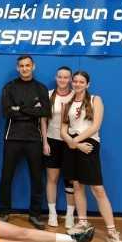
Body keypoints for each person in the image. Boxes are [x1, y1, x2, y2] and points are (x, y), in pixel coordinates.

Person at [61, 70, 122, 242]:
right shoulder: (67, 103)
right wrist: (74, 143)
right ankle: (82, 222)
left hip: (88, 145)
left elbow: (95, 126)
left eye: (81, 82)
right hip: (73, 146)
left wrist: (77, 142)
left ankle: (112, 232)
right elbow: (63, 131)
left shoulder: (95, 99)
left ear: (87, 84)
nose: (77, 84)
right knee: (77, 185)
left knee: (97, 189)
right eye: (75, 81)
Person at [0, 55, 51, 229]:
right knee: (6, 176)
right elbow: (7, 112)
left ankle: (35, 214)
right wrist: (32, 109)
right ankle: (4, 212)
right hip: (12, 137)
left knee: (37, 178)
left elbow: (45, 111)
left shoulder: (41, 88)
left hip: (34, 138)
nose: (24, 68)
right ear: (17, 68)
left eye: (27, 65)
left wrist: (19, 108)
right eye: (21, 66)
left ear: (33, 67)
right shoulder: (9, 87)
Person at [41, 66, 76, 229]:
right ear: (56, 78)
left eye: (66, 77)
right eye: (60, 77)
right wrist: (45, 142)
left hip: (70, 142)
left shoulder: (76, 95)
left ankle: (70, 215)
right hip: (52, 141)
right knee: (52, 178)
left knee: (70, 180)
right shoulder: (48, 95)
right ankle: (52, 213)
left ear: (70, 79)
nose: (62, 80)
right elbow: (43, 121)